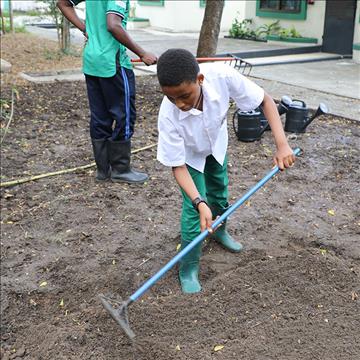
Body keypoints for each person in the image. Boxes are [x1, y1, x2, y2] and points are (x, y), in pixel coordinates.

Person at [156, 49, 295, 294]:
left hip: (216, 143)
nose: (179, 104)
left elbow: (265, 100)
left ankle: (220, 231)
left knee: (219, 192)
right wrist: (199, 201)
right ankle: (188, 267)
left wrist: (282, 145)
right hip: (189, 156)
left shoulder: (222, 76)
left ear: (199, 80)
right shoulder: (168, 115)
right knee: (193, 209)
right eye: (171, 98)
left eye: (184, 96)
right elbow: (177, 166)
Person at [57, 0, 157, 183]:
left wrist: (86, 29)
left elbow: (63, 3)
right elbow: (113, 25)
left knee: (99, 116)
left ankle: (103, 170)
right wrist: (142, 53)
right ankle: (121, 169)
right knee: (125, 115)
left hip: (92, 61)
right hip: (113, 63)